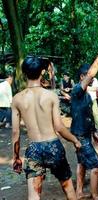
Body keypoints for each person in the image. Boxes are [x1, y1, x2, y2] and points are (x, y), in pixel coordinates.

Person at [11, 57, 81, 200]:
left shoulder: (17, 99)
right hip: (53, 146)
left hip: (34, 149)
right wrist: (75, 141)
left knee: (34, 194)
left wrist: (16, 157)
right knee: (68, 187)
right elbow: (59, 127)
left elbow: (15, 132)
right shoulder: (51, 96)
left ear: (24, 73)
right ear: (42, 72)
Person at [70, 45, 98, 200]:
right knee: (95, 164)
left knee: (82, 163)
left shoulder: (87, 96)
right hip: (79, 135)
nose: (92, 79)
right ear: (82, 77)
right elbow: (91, 74)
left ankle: (79, 192)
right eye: (88, 77)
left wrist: (94, 131)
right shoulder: (77, 91)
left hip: (84, 133)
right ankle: (94, 195)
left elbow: (88, 115)